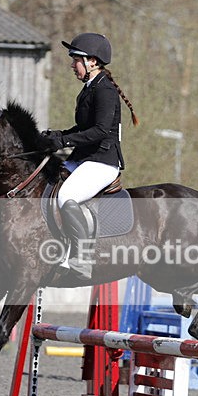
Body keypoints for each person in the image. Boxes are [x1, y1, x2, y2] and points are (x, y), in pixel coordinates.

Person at [40, 32, 139, 279]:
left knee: (67, 196)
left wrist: (64, 141)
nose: (72, 64)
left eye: (76, 59)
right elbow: (84, 129)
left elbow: (99, 131)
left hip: (103, 161)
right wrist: (57, 135)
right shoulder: (89, 88)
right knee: (49, 183)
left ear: (92, 61)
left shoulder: (104, 89)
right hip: (85, 158)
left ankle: (82, 258)